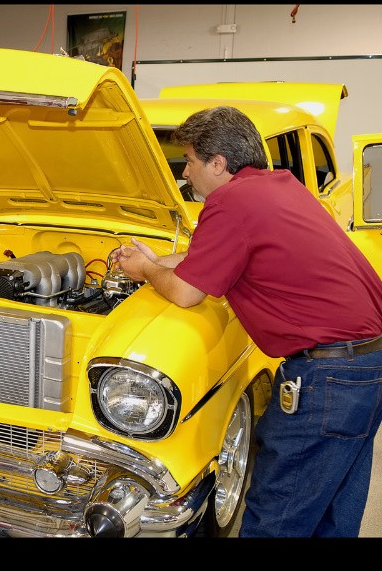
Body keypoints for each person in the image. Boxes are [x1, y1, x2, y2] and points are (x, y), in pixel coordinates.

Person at [114, 105, 382, 537]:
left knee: (278, 512)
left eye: (191, 162)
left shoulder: (230, 201)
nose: (185, 174)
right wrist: (153, 259)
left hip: (326, 376)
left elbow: (186, 291)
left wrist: (147, 272)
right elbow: (208, 258)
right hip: (366, 366)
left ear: (218, 163)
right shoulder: (276, 188)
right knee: (332, 511)